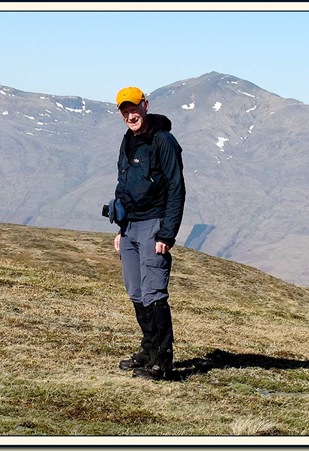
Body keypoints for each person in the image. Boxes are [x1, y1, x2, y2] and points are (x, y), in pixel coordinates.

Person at [111, 86, 186, 380]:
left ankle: (163, 361)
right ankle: (148, 349)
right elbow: (125, 185)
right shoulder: (128, 141)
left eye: (134, 108)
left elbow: (176, 189)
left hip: (154, 225)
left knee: (154, 292)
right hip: (130, 227)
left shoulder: (163, 141)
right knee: (136, 290)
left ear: (145, 105)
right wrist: (121, 227)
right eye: (124, 110)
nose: (130, 114)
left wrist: (167, 234)